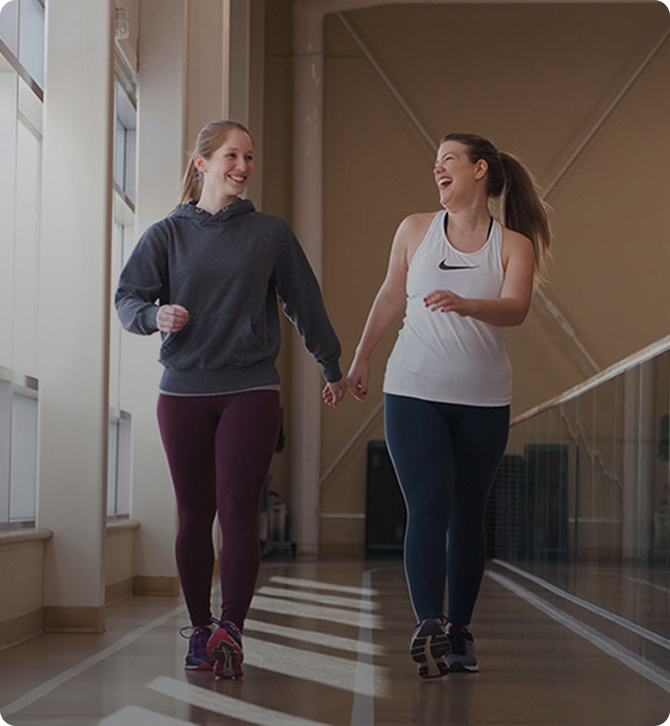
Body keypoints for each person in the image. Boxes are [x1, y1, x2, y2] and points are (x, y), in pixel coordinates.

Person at [115, 119, 347, 679]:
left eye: (249, 158)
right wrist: (154, 316)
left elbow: (304, 303)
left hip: (250, 387)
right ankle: (200, 631)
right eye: (232, 157)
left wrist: (332, 364)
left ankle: (232, 631)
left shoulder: (270, 232)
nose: (243, 167)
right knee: (195, 515)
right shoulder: (165, 235)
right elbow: (127, 299)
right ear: (202, 164)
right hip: (184, 391)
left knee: (240, 511)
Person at [346, 132, 550, 678]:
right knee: (428, 506)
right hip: (413, 391)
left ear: (479, 170)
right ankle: (429, 625)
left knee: (466, 516)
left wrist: (466, 303)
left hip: (483, 399)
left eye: (449, 162)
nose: (438, 170)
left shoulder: (513, 245)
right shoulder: (414, 230)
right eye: (435, 163)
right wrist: (362, 356)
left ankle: (460, 631)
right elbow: (391, 294)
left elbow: (516, 309)